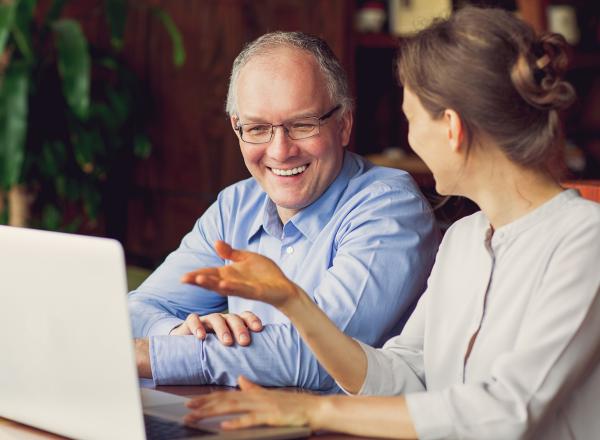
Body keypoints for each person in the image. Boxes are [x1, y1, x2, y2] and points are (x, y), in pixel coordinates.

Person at [181, 7, 600, 439]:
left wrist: (313, 411)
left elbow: (507, 411)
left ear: (452, 128)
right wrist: (294, 303)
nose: (409, 139)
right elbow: (408, 372)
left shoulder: (585, 240)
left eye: (412, 120)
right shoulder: (464, 239)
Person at [128, 31, 440, 390]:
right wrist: (177, 333)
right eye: (258, 128)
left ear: (343, 124)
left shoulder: (390, 208)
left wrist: (157, 355)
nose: (279, 151)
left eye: (302, 125)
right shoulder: (235, 206)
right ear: (237, 128)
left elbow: (320, 354)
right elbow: (140, 306)